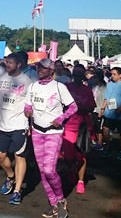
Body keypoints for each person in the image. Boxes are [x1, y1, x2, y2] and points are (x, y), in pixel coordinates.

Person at [24, 58, 76, 218]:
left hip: (53, 133)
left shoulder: (59, 87)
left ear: (51, 71)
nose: (39, 70)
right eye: (38, 67)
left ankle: (61, 200)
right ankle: (54, 205)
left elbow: (73, 107)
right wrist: (28, 111)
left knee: (49, 170)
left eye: (43, 68)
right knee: (42, 171)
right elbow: (28, 105)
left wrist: (60, 119)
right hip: (37, 131)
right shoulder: (32, 86)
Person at [0, 51, 34, 205]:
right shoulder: (0, 79)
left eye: (10, 63)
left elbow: (30, 105)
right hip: (2, 124)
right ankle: (10, 176)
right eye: (6, 62)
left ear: (19, 65)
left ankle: (17, 190)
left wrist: (30, 125)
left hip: (19, 124)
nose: (6, 65)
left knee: (20, 156)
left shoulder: (27, 81)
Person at [62, 65, 95, 195]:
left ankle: (80, 181)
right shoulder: (66, 87)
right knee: (68, 156)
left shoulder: (87, 90)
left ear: (82, 77)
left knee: (81, 156)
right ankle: (72, 169)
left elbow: (92, 108)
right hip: (69, 125)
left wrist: (82, 107)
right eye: (75, 75)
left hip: (83, 127)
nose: (77, 77)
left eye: (79, 75)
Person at [100, 67, 121, 161]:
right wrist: (102, 108)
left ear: (120, 75)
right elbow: (106, 97)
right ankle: (107, 147)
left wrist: (120, 109)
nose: (112, 76)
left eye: (114, 74)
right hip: (109, 112)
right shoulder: (109, 84)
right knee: (105, 128)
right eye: (111, 74)